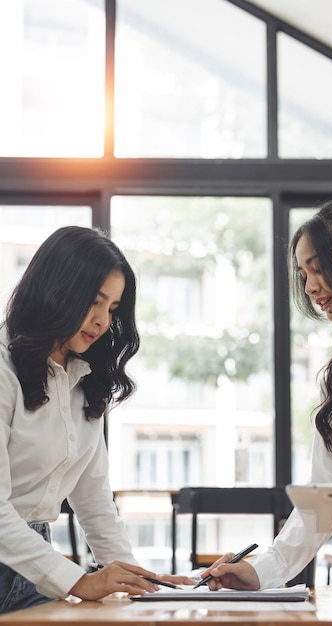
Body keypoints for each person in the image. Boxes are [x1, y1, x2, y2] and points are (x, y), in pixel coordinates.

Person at [201, 199, 332, 609]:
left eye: (318, 267)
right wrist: (263, 569)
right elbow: (328, 495)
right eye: (303, 273)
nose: (310, 285)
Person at [0, 226, 192, 615]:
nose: (102, 320)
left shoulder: (85, 379)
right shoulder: (4, 370)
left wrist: (138, 581)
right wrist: (79, 581)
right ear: (55, 289)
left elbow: (94, 500)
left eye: (113, 309)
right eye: (94, 301)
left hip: (34, 567)